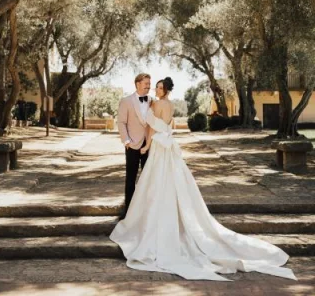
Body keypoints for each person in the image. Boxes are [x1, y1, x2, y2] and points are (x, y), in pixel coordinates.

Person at [110, 76, 296, 281]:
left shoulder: (157, 103)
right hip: (161, 145)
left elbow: (154, 126)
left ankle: (145, 218)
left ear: (164, 90)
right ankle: (138, 213)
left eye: (157, 86)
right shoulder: (162, 103)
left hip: (155, 146)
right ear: (138, 85)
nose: (153, 88)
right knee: (153, 182)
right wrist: (130, 141)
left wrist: (147, 144)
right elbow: (142, 123)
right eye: (151, 85)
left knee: (151, 183)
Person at [117, 73, 151, 220]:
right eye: (146, 84)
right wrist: (126, 141)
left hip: (149, 145)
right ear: (137, 84)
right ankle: (128, 211)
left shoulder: (151, 101)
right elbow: (121, 123)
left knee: (148, 179)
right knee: (130, 178)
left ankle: (146, 210)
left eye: (150, 84)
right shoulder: (126, 101)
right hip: (132, 145)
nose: (149, 86)